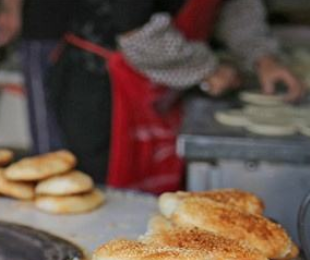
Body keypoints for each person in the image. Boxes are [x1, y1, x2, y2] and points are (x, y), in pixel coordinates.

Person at [50, 0, 306, 193]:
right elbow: (136, 33)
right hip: (99, 84)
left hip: (162, 84)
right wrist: (207, 69)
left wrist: (263, 59)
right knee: (102, 196)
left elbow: (236, 6)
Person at [0, 0, 74, 154]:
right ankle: (48, 165)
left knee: (57, 113)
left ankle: (54, 164)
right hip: (45, 30)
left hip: (74, 32)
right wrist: (10, 11)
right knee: (45, 116)